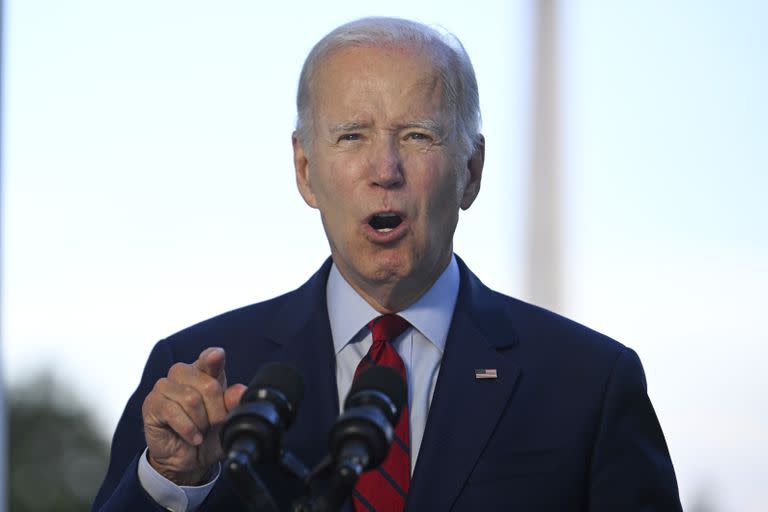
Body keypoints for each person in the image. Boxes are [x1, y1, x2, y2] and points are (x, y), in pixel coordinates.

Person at [92, 16, 682, 512]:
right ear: (304, 170)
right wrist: (171, 481)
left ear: (471, 171)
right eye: (352, 136)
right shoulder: (196, 376)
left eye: (418, 136)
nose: (385, 170)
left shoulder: (589, 384)